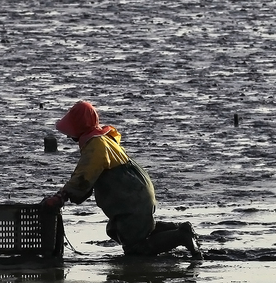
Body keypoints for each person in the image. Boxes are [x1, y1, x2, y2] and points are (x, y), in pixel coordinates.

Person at [41, 100, 202, 259]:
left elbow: (83, 177)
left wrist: (61, 196)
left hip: (131, 197)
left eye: (71, 130)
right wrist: (67, 194)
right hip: (137, 190)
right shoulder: (104, 139)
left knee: (135, 248)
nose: (68, 135)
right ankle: (178, 229)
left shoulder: (96, 146)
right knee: (127, 230)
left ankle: (181, 236)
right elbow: (87, 179)